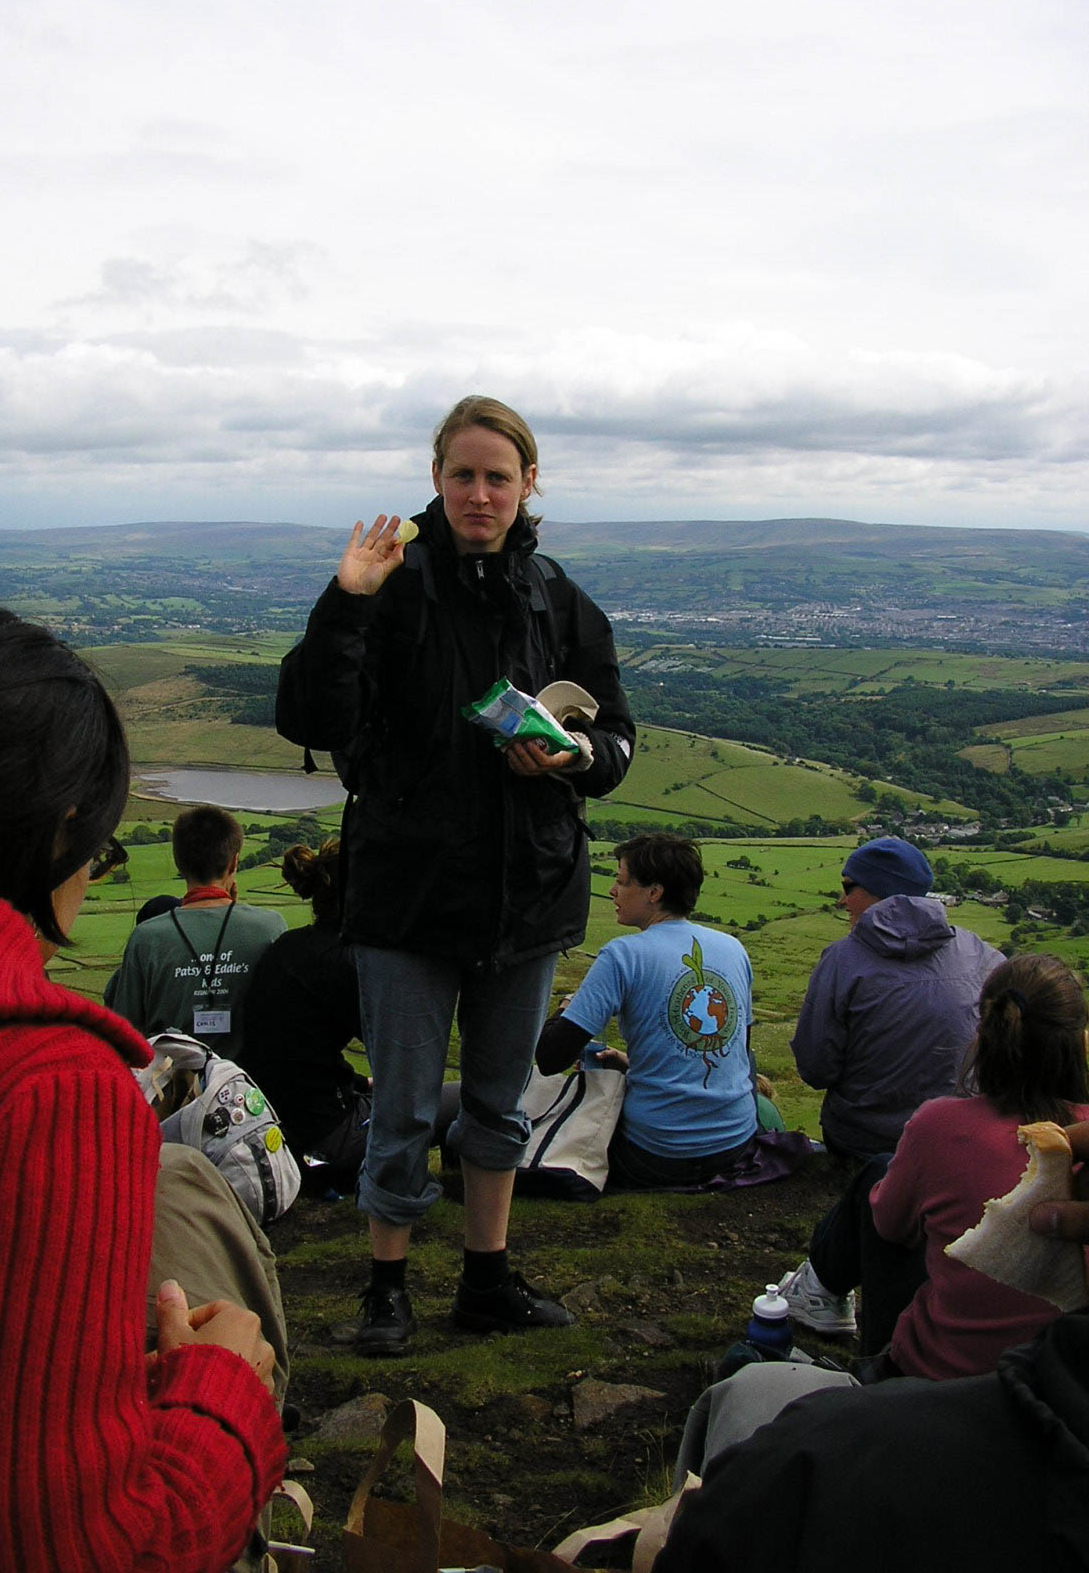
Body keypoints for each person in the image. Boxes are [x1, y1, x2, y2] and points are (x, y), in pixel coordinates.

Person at [0, 596, 285, 1572]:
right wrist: (221, 1392)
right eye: (100, 848)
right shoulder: (42, 1094)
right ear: (59, 827)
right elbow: (57, 1552)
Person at [276, 394, 634, 1352]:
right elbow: (312, 717)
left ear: (527, 487)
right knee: (399, 1109)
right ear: (436, 480)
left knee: (495, 1105)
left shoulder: (556, 599)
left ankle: (486, 1281)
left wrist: (575, 761)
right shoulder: (391, 588)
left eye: (499, 477)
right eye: (464, 475)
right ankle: (385, 1292)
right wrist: (346, 599)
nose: (480, 493)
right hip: (406, 896)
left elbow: (619, 742)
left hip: (529, 892)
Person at [651, 1150, 1089, 1573]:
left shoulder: (821, 1455)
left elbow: (883, 1214)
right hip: (1002, 1388)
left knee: (756, 1382)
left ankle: (819, 1295)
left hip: (918, 1381)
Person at [780, 954, 1089, 1368]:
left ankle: (840, 1320)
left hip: (937, 1376)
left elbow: (888, 1225)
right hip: (1065, 1383)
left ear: (985, 1032)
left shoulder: (941, 1126)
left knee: (880, 1180)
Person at [535, 834, 760, 1187]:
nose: (612, 891)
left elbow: (550, 1057)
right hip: (735, 1143)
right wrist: (635, 1064)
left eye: (621, 881)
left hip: (655, 1153)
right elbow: (737, 1052)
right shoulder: (733, 948)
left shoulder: (623, 955)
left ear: (654, 892)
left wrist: (568, 1005)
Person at [241, 839, 459, 1190]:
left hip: (277, 1137)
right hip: (324, 1147)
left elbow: (296, 1050)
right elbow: (409, 1061)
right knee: (464, 1098)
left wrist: (360, 1084)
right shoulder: (349, 963)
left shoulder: (289, 947)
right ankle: (454, 1188)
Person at [791, 835, 1003, 1160]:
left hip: (864, 1144)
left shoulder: (841, 960)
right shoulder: (981, 954)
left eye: (849, 888)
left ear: (877, 889)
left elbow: (816, 1070)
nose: (841, 900)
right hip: (960, 1139)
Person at [108, 804, 285, 1056]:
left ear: (178, 863)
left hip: (170, 1091)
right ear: (234, 861)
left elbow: (124, 1032)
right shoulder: (270, 927)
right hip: (250, 1089)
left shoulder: (146, 938)